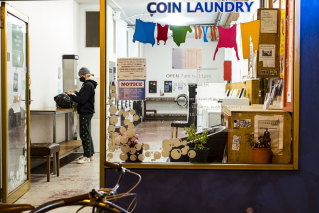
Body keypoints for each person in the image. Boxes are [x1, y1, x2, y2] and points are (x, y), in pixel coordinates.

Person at [67, 67, 98, 164]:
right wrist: (75, 92)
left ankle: (86, 156)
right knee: (87, 133)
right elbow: (82, 96)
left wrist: (71, 96)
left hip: (85, 112)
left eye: (80, 75)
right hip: (87, 112)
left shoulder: (88, 85)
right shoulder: (87, 85)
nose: (80, 77)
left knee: (84, 134)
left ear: (85, 75)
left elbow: (82, 100)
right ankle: (91, 154)